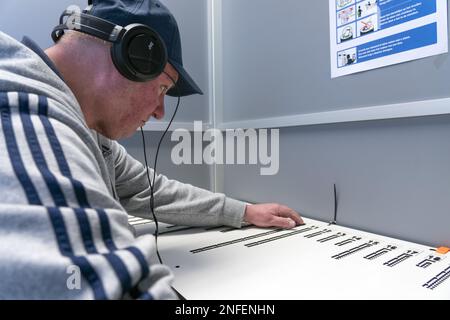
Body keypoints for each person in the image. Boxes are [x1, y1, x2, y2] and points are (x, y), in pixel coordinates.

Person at [0, 0, 303, 299]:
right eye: (162, 88)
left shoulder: (89, 134)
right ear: (130, 56)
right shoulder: (27, 117)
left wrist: (245, 211)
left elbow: (152, 190)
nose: (159, 111)